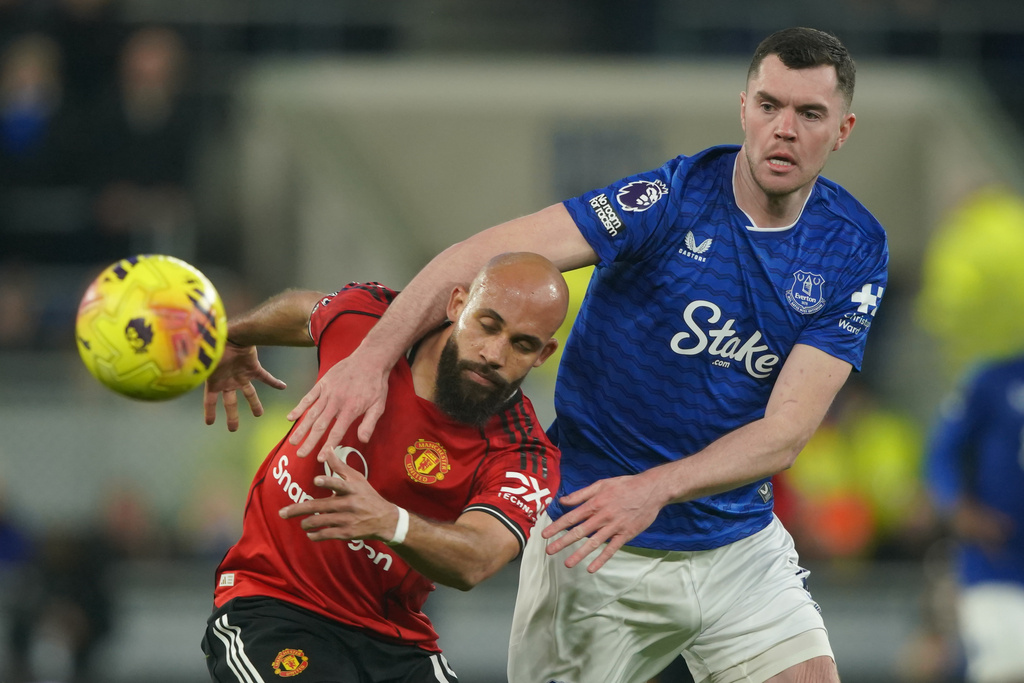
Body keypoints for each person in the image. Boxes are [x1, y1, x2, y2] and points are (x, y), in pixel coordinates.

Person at [286, 27, 888, 683]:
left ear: (843, 129)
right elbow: (478, 258)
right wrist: (373, 357)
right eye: (769, 106)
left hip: (738, 548)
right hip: (593, 539)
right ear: (743, 108)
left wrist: (654, 489)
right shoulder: (668, 201)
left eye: (810, 114)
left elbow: (784, 433)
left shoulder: (853, 247)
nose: (784, 129)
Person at [201, 252, 568, 682]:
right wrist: (235, 335)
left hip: (396, 641)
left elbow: (479, 557)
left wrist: (392, 522)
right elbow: (307, 313)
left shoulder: (524, 453)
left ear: (544, 353)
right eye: (487, 325)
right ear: (457, 304)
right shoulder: (372, 322)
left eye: (521, 345)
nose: (493, 354)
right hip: (273, 605)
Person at [924, 355, 1024, 683]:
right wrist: (958, 506)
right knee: (1007, 669)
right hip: (998, 560)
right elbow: (942, 451)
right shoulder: (995, 380)